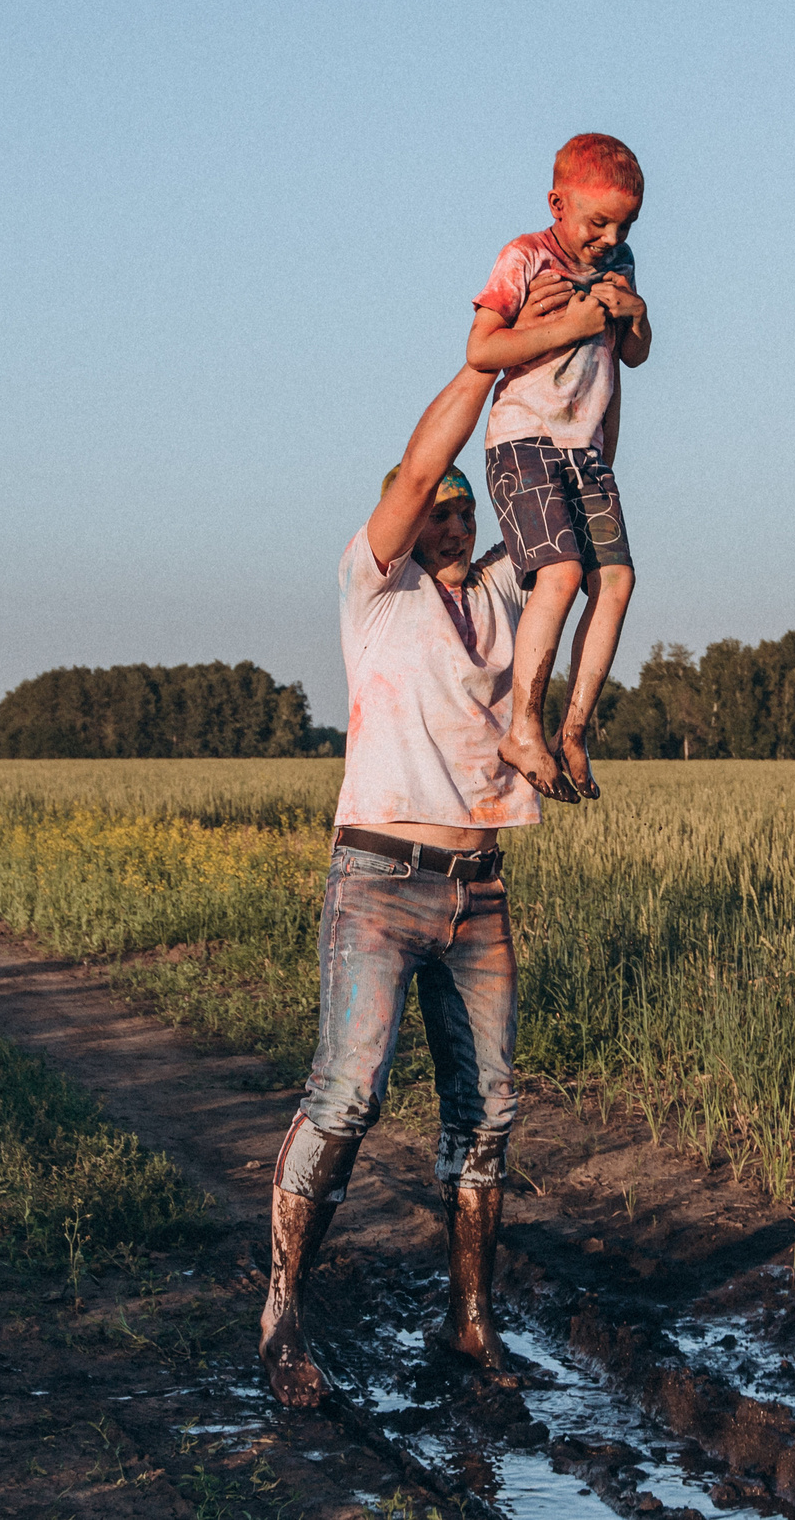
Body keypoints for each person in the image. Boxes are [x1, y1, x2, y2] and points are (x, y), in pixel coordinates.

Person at [260, 363, 541, 1408]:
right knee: (348, 1094)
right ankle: (283, 1319)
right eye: (430, 511)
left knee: (489, 1109)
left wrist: (591, 347)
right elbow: (426, 459)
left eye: (460, 509)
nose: (446, 524)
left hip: (480, 888)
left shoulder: (505, 595)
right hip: (378, 880)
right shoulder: (373, 590)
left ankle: (469, 1323)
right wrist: (485, 363)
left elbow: (573, 505)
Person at [465, 132, 653, 801]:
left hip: (586, 449)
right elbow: (482, 348)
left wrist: (637, 316)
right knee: (563, 571)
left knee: (619, 579)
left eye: (624, 224)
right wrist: (569, 328)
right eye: (597, 221)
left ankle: (573, 729)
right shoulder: (526, 256)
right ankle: (523, 726)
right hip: (524, 438)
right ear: (557, 203)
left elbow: (633, 355)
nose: (610, 236)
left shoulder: (620, 263)